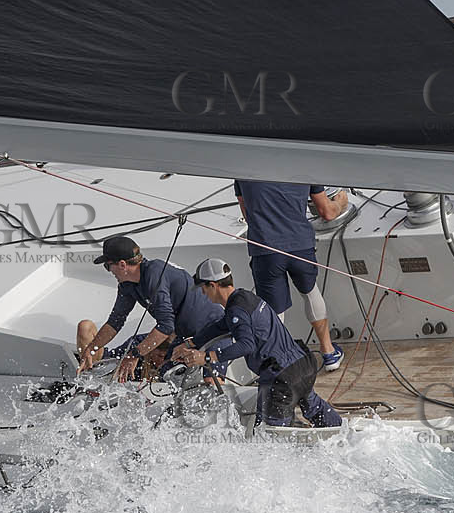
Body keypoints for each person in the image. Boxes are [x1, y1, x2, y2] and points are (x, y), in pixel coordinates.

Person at [171, 258, 342, 429]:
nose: (202, 294)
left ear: (213, 285)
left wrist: (206, 358)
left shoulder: (236, 310)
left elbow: (246, 345)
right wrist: (191, 343)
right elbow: (220, 326)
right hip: (303, 365)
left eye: (203, 288)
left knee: (268, 434)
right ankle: (341, 430)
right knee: (313, 407)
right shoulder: (245, 297)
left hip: (281, 378)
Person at [77, 235, 224, 383]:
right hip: (186, 338)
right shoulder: (127, 284)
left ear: (122, 265)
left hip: (215, 329)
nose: (109, 271)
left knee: (211, 382)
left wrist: (135, 354)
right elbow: (115, 322)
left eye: (107, 266)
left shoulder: (154, 274)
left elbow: (166, 326)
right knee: (165, 379)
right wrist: (91, 349)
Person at [233, 179, 346, 370]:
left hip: (265, 248)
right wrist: (341, 202)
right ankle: (329, 353)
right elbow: (327, 212)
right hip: (300, 244)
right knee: (310, 292)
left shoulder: (242, 172)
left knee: (274, 310)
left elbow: (247, 213)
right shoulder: (303, 164)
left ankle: (283, 363)